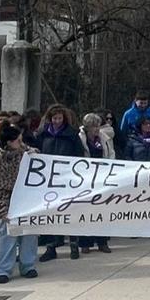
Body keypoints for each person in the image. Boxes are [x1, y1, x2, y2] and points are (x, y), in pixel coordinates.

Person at [0, 125, 39, 284]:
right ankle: (2, 270)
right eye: (18, 140)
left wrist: (35, 154)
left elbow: (32, 151)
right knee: (8, 234)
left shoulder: (22, 151)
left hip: (27, 198)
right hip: (9, 200)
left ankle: (28, 265)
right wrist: (1, 211)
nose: (21, 142)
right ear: (9, 143)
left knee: (29, 232)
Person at [37, 104, 85, 262]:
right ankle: (51, 246)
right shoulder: (43, 134)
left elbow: (79, 154)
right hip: (48, 180)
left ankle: (73, 244)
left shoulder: (71, 134)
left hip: (67, 179)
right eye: (54, 118)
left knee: (69, 211)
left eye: (60, 118)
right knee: (50, 212)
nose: (57, 121)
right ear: (50, 119)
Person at [77, 113, 115, 254]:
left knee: (102, 210)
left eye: (98, 126)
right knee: (86, 210)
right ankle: (85, 243)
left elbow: (111, 154)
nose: (97, 129)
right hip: (86, 178)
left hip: (102, 177)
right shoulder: (81, 138)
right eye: (94, 126)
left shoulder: (104, 138)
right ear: (87, 127)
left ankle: (102, 242)